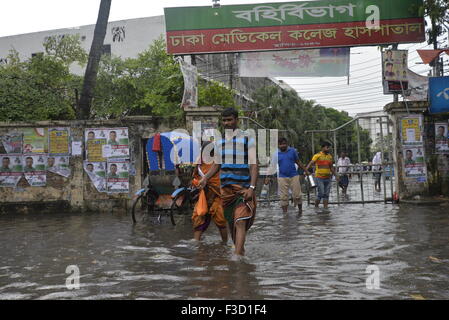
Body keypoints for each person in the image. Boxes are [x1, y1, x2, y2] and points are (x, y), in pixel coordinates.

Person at [199, 107, 258, 256]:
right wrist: (205, 178)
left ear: (236, 120)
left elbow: (254, 164)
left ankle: (237, 259)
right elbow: (217, 165)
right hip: (225, 190)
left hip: (243, 188)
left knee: (240, 221)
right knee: (232, 224)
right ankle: (240, 251)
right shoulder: (219, 142)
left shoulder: (247, 138)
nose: (226, 123)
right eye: (224, 120)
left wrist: (252, 187)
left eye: (229, 119)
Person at [191, 141, 228, 243]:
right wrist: (196, 183)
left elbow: (221, 181)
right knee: (198, 219)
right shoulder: (199, 163)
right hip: (203, 197)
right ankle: (196, 243)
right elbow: (195, 177)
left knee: (221, 220)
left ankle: (224, 243)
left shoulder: (217, 163)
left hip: (217, 196)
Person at [267, 137, 309, 214]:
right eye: (281, 144)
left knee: (297, 195)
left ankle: (300, 211)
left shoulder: (292, 151)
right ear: (278, 145)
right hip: (282, 177)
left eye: (284, 144)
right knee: (283, 197)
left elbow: (298, 161)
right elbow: (272, 166)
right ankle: (285, 214)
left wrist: (306, 170)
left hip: (294, 175)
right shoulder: (276, 154)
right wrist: (268, 177)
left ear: (287, 144)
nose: (283, 145)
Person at [306, 141, 338, 209]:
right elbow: (311, 163)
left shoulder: (329, 157)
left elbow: (331, 167)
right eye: (327, 147)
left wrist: (336, 175)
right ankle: (316, 206)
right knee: (321, 193)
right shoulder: (317, 155)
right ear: (323, 148)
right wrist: (306, 170)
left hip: (328, 178)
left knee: (326, 194)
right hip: (319, 177)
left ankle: (325, 208)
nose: (328, 149)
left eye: (329, 147)